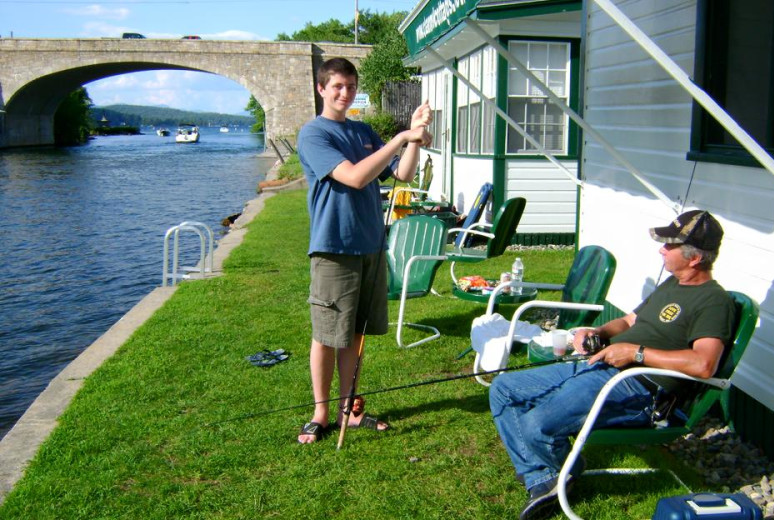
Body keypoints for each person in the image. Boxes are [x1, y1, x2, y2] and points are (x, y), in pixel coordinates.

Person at [489, 210, 735, 519]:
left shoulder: (714, 301)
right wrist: (599, 332)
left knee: (537, 424)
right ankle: (547, 477)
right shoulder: (671, 285)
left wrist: (636, 353)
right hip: (603, 365)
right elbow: (630, 320)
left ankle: (551, 475)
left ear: (695, 257)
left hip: (640, 390)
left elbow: (704, 364)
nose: (661, 249)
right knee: (503, 388)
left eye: (669, 245)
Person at [296, 57, 432, 444]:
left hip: (371, 244)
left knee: (355, 333)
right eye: (337, 86)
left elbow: (402, 174)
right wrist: (399, 138)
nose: (345, 93)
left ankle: (348, 409)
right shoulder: (314, 134)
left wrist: (416, 137)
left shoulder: (363, 130)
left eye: (351, 87)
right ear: (321, 89)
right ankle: (321, 413)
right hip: (334, 246)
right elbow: (355, 177)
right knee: (327, 333)